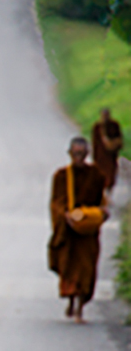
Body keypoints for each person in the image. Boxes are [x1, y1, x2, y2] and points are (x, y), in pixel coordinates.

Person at [48, 136, 106, 323]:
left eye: (82, 154)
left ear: (87, 154)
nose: (78, 158)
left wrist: (100, 214)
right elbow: (56, 203)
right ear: (70, 154)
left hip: (87, 233)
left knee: (87, 270)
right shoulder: (61, 177)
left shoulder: (96, 175)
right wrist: (64, 217)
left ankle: (80, 308)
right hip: (68, 231)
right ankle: (72, 302)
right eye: (75, 154)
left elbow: (100, 201)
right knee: (68, 268)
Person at [92, 108, 123, 191]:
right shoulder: (97, 127)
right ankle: (102, 192)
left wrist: (116, 145)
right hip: (101, 157)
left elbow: (119, 137)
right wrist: (95, 156)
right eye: (103, 115)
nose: (105, 117)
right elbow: (94, 142)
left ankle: (109, 190)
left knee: (111, 174)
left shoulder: (114, 125)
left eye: (107, 115)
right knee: (101, 174)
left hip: (111, 155)